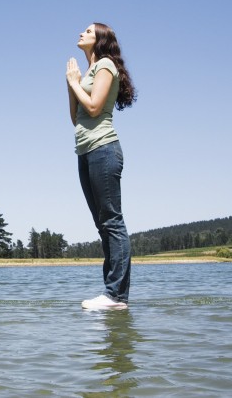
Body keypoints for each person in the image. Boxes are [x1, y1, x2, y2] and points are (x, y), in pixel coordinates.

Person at [66, 22, 136, 310]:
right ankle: (112, 294)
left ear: (100, 40)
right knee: (102, 225)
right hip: (84, 150)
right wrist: (73, 82)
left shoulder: (106, 64)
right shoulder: (88, 72)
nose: (82, 33)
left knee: (112, 222)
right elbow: (76, 117)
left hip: (104, 149)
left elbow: (94, 108)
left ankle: (116, 295)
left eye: (89, 31)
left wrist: (74, 83)